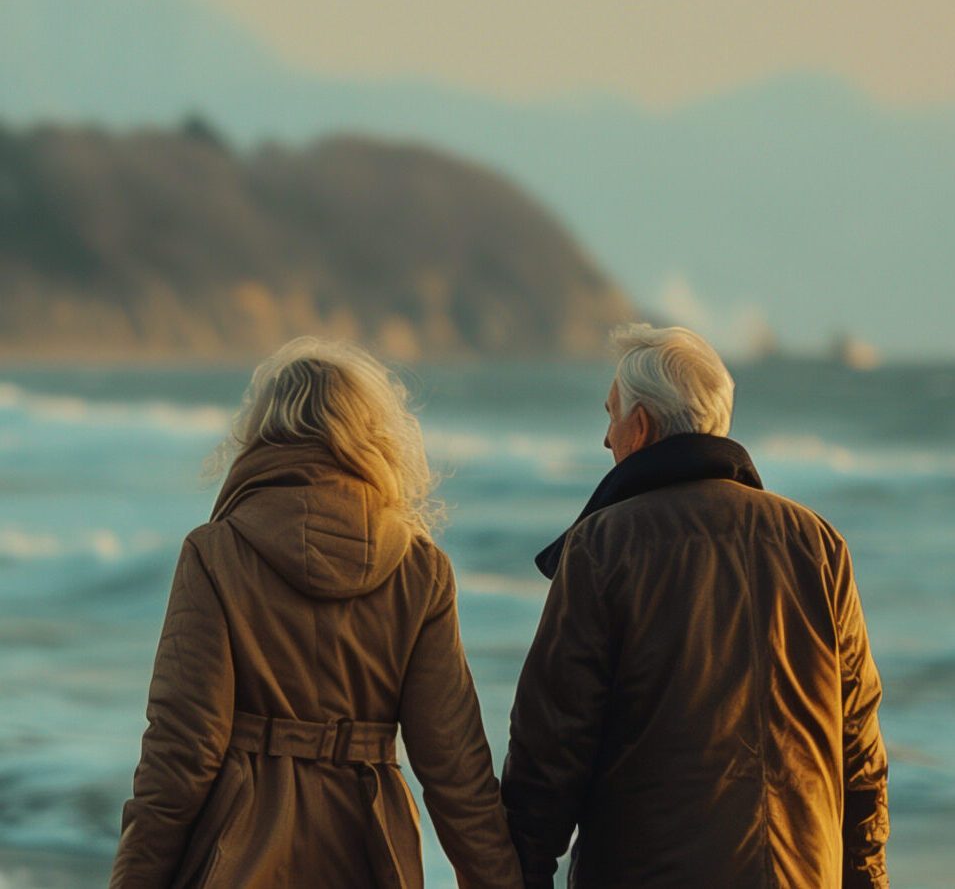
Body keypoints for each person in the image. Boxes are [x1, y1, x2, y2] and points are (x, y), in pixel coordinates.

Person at [110, 337, 523, 889]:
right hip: (371, 856)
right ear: (372, 438)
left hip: (241, 858)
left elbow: (182, 750)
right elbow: (456, 768)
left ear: (262, 435)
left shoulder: (216, 552)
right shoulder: (420, 569)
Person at [502, 323, 889, 889]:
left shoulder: (604, 545)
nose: (605, 439)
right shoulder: (817, 544)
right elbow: (859, 748)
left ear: (641, 426)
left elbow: (551, 749)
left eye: (610, 416)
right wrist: (868, 878)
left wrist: (521, 875)